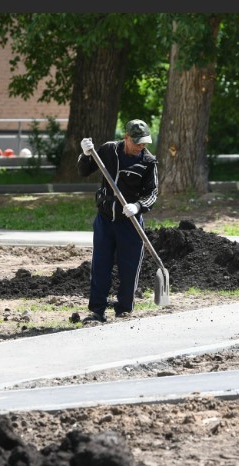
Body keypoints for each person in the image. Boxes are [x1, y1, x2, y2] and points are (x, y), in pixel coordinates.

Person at [77, 119, 159, 322]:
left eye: (144, 142)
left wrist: (138, 206)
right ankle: (97, 310)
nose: (141, 146)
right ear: (126, 137)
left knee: (129, 266)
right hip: (105, 219)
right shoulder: (108, 150)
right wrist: (86, 155)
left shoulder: (148, 162)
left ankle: (124, 309)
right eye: (137, 142)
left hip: (130, 222)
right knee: (100, 265)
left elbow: (152, 192)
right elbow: (83, 170)